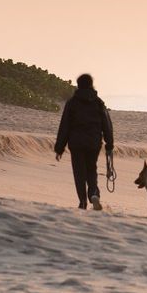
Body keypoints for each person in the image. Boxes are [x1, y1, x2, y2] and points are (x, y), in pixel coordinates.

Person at [54, 73, 114, 210]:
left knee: (79, 173)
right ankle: (93, 194)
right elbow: (107, 125)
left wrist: (59, 148)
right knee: (91, 170)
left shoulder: (72, 102)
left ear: (78, 85)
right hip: (93, 143)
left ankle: (82, 201)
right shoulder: (98, 102)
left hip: (76, 143)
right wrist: (109, 144)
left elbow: (65, 126)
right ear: (91, 84)